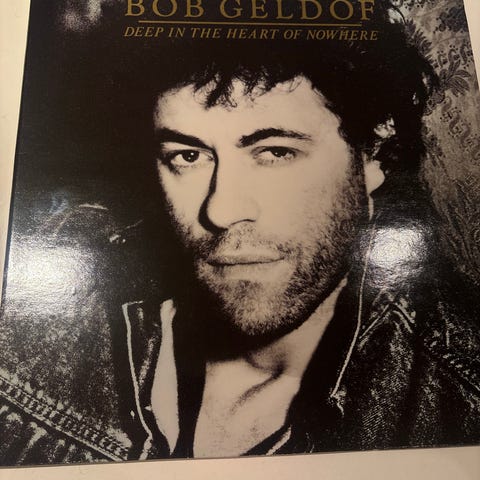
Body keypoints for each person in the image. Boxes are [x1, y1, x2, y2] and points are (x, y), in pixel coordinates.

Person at [0, 0, 479, 466]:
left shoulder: (455, 400)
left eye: (275, 152)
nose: (222, 210)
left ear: (371, 154)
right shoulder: (32, 351)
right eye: (188, 156)